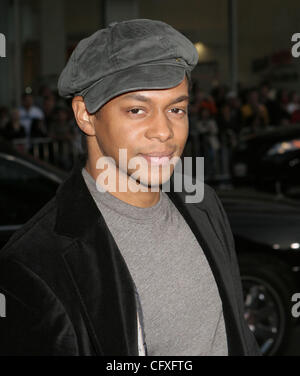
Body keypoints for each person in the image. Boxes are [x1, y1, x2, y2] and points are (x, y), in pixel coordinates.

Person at [0, 19, 260, 356]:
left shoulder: (204, 204)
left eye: (176, 109)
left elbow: (236, 335)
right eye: (137, 110)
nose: (164, 131)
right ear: (85, 115)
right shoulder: (34, 263)